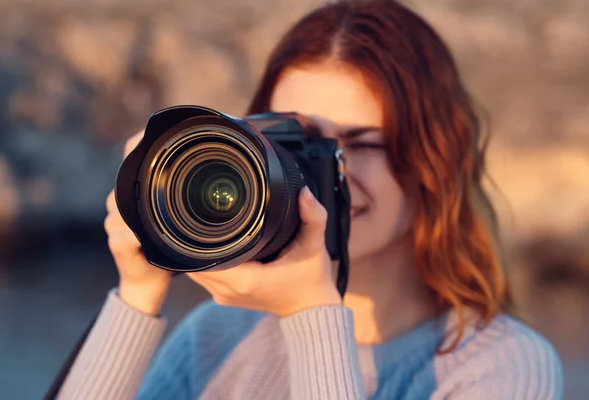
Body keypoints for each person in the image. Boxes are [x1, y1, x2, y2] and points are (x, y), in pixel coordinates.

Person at [57, 1, 562, 399]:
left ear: (436, 161)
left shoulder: (501, 364)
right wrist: (138, 296)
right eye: (296, 145)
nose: (329, 173)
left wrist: (312, 315)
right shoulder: (222, 332)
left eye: (363, 144)